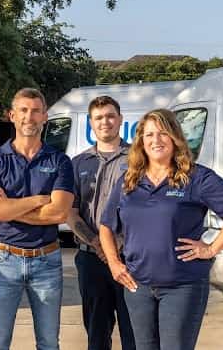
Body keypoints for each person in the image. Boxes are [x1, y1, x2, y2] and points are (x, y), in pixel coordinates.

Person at [99, 109, 223, 350]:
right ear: (141, 141)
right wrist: (113, 263)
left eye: (163, 133)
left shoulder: (195, 177)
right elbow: (106, 226)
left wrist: (211, 248)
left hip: (182, 286)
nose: (156, 140)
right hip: (137, 286)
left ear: (175, 137)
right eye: (149, 134)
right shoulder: (129, 180)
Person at [0, 88, 75, 350]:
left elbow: (59, 213)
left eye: (35, 111)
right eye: (23, 110)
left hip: (47, 260)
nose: (29, 117)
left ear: (45, 117)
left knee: (48, 342)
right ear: (12, 115)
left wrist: (9, 206)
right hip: (4, 260)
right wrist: (38, 200)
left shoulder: (60, 161)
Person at [67, 96, 135, 350]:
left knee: (134, 334)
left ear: (120, 119)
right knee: (96, 336)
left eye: (110, 116)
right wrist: (97, 243)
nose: (105, 122)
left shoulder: (138, 160)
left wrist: (117, 245)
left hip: (130, 259)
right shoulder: (78, 164)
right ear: (90, 123)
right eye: (98, 117)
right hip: (91, 260)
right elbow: (70, 213)